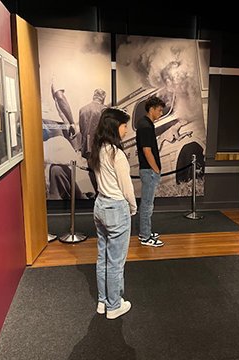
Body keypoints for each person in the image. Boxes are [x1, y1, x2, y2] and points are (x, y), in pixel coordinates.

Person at [89, 107, 137, 320]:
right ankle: (114, 305)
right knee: (116, 261)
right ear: (114, 127)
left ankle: (103, 301)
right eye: (124, 125)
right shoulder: (116, 154)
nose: (126, 129)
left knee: (103, 258)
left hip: (100, 206)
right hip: (117, 208)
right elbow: (127, 188)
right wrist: (133, 207)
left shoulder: (98, 149)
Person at [135, 96, 165, 247]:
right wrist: (157, 169)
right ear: (151, 109)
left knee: (148, 204)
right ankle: (145, 237)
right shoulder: (145, 125)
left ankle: (145, 232)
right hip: (149, 171)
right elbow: (147, 151)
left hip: (148, 170)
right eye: (159, 110)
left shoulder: (146, 124)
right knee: (147, 204)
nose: (161, 113)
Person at [79, 88, 107, 191]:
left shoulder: (82, 110)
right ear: (103, 97)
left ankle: (96, 194)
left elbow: (82, 130)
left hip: (87, 147)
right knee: (102, 174)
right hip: (100, 147)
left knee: (92, 172)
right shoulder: (104, 109)